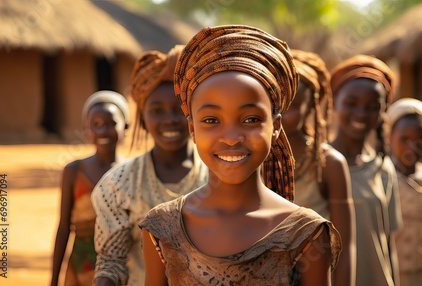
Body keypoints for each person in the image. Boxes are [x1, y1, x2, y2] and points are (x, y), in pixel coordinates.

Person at [139, 25, 342, 285]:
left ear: (276, 128)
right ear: (192, 128)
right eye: (212, 120)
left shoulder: (305, 233)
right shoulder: (162, 228)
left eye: (250, 119)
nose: (232, 137)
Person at [91, 46, 208, 286]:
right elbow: (111, 262)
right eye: (156, 111)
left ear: (194, 115)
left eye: (179, 109)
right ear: (142, 120)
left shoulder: (218, 176)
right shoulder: (118, 184)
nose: (169, 119)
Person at [283, 49, 355, 286]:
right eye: (275, 103)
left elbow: (344, 245)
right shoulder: (252, 160)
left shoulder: (329, 164)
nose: (280, 115)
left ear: (311, 106)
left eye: (291, 106)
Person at [329, 54, 403, 286]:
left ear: (383, 111)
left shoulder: (383, 168)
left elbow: (387, 243)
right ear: (334, 103)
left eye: (372, 107)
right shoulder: (316, 165)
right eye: (351, 103)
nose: (361, 113)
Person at [51, 90, 129, 286]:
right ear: (87, 130)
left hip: (122, 266)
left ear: (126, 126)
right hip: (80, 264)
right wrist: (53, 280)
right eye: (96, 125)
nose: (103, 131)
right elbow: (63, 227)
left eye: (111, 124)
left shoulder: (132, 172)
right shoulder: (74, 171)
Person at [386, 98, 422, 286]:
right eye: (404, 139)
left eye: (420, 139)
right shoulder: (382, 178)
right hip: (390, 277)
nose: (412, 147)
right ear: (390, 138)